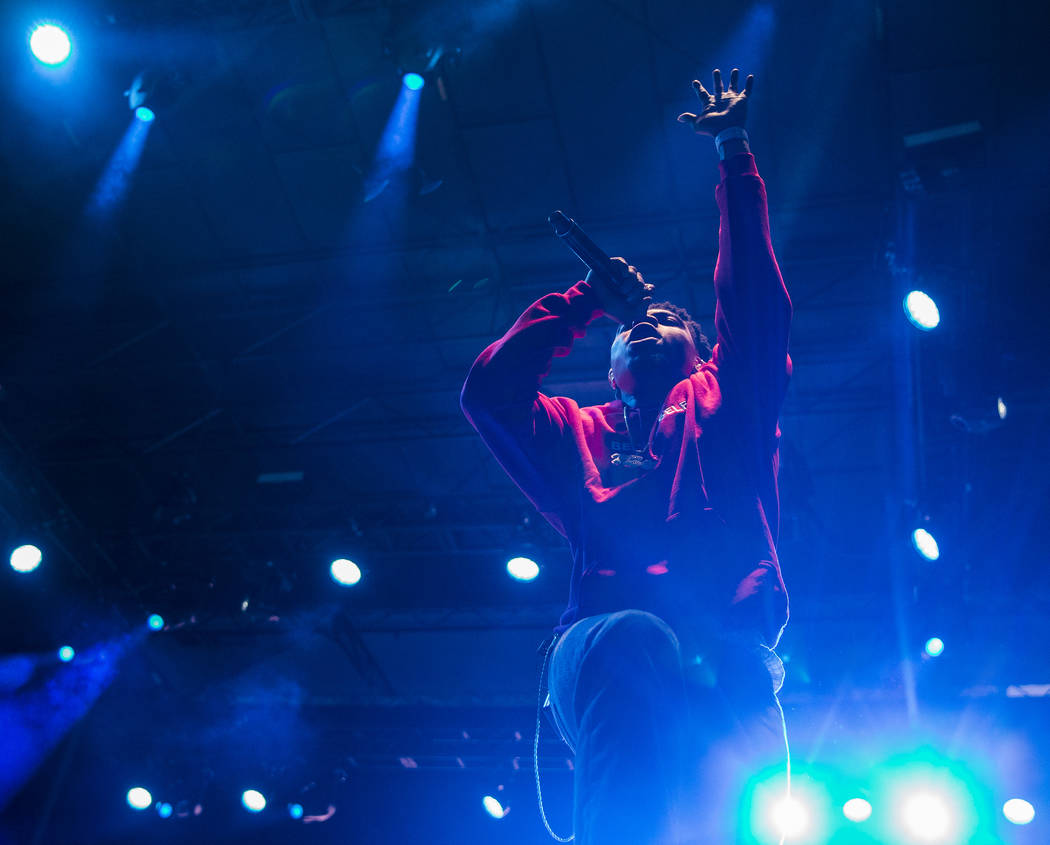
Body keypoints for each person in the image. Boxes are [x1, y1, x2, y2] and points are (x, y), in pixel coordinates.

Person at [460, 68, 792, 845]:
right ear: (609, 366)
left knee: (733, 695)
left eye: (672, 320)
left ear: (701, 349)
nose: (648, 324)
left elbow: (755, 306)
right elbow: (488, 394)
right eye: (631, 326)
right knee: (637, 638)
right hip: (603, 647)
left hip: (721, 650)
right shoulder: (576, 429)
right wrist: (580, 302)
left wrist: (733, 152)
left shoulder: (728, 406)